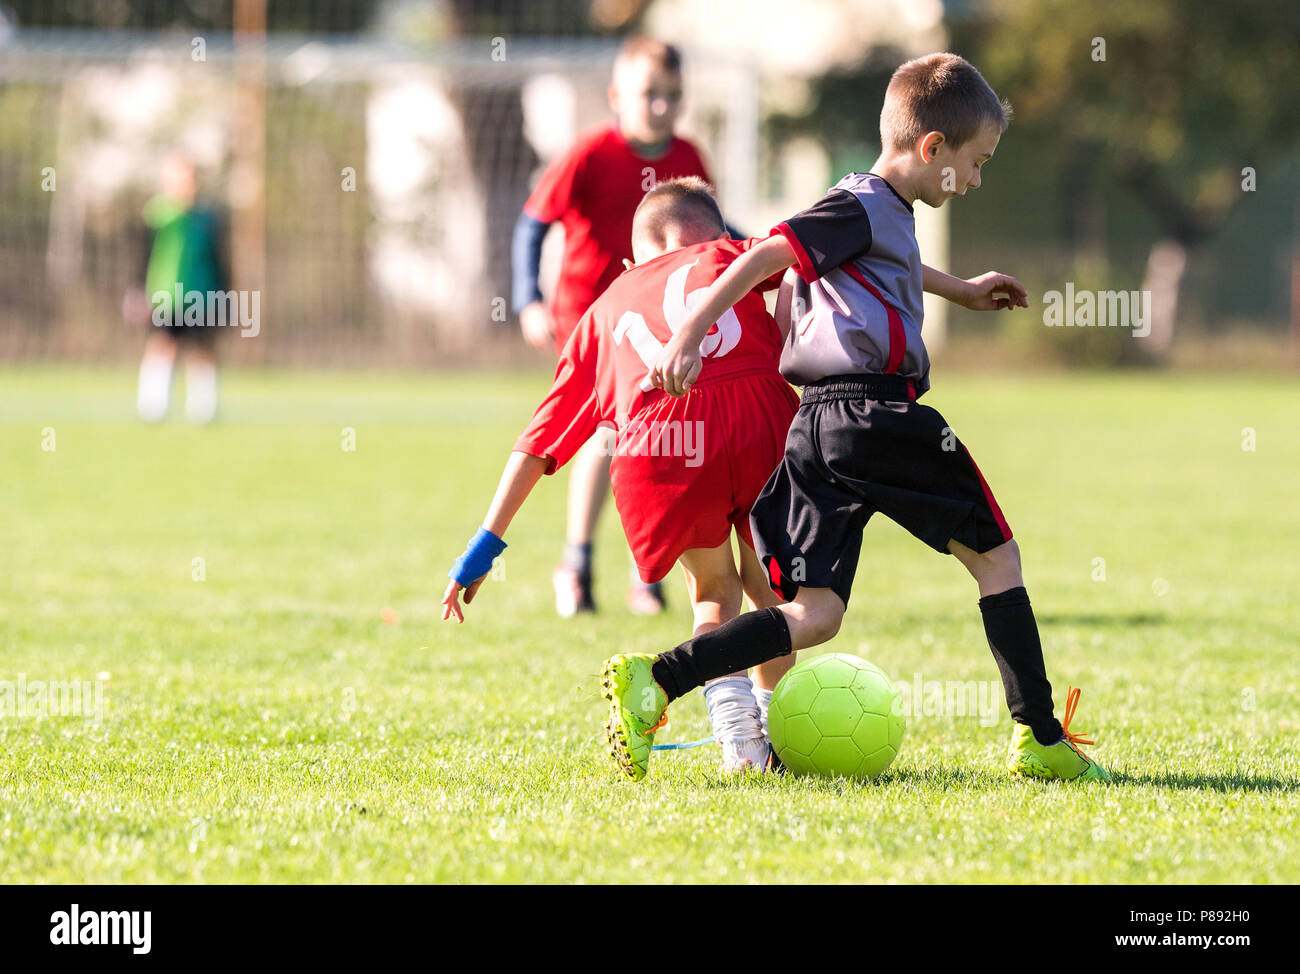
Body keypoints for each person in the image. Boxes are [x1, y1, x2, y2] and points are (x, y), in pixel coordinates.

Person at [601, 53, 1112, 783]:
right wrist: (687, 334)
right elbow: (767, 253)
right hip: (877, 413)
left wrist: (959, 290)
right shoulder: (863, 202)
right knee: (996, 557)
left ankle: (658, 679)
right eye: (974, 163)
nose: (974, 180)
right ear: (931, 148)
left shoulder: (878, 212)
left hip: (815, 427)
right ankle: (1040, 736)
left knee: (814, 614)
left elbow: (880, 259)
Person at [449, 178, 798, 772]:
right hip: (758, 418)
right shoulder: (733, 255)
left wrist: (484, 545)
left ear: (633, 261)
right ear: (719, 237)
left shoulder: (604, 307)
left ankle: (743, 747)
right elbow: (806, 256)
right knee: (771, 588)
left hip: (661, 445)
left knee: (714, 592)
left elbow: (540, 440)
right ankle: (774, 730)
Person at [511, 35, 719, 618]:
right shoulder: (590, 153)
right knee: (608, 435)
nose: (660, 107)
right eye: (648, 94)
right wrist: (527, 299)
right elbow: (532, 225)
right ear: (616, 96)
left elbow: (712, 233)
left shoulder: (689, 157)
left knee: (660, 435)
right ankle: (576, 566)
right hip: (593, 318)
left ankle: (645, 574)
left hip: (659, 320)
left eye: (670, 96)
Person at [124, 153, 228, 424]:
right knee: (162, 344)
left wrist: (225, 294)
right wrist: (137, 292)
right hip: (164, 294)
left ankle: (203, 409)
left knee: (201, 348)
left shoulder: (208, 219)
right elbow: (142, 256)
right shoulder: (156, 216)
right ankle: (153, 407)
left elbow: (219, 259)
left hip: (201, 295)